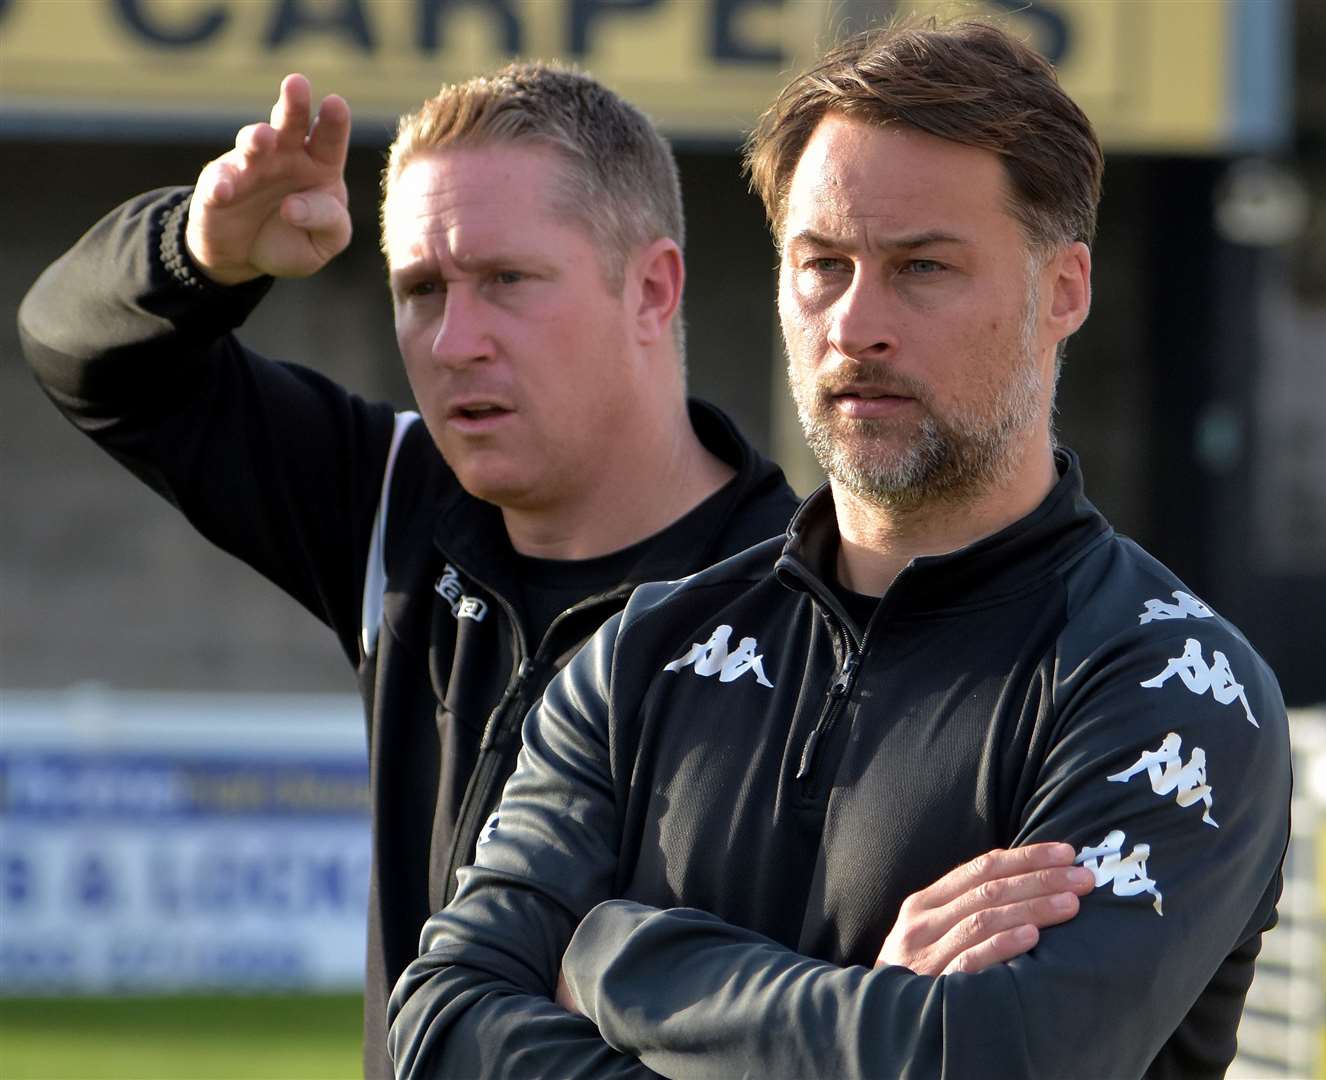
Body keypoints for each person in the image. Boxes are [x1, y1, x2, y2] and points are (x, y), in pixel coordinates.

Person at [387, 20, 1292, 1079]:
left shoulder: (1165, 684)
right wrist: (857, 1018)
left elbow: (994, 1060)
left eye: (921, 267)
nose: (856, 323)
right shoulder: (638, 658)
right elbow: (440, 1025)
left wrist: (614, 955)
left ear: (1064, 292)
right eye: (822, 265)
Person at [18, 64, 808, 1078]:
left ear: (650, 289)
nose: (452, 340)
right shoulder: (393, 496)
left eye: (506, 282)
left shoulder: (810, 601)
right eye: (420, 289)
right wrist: (198, 253)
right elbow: (79, 349)